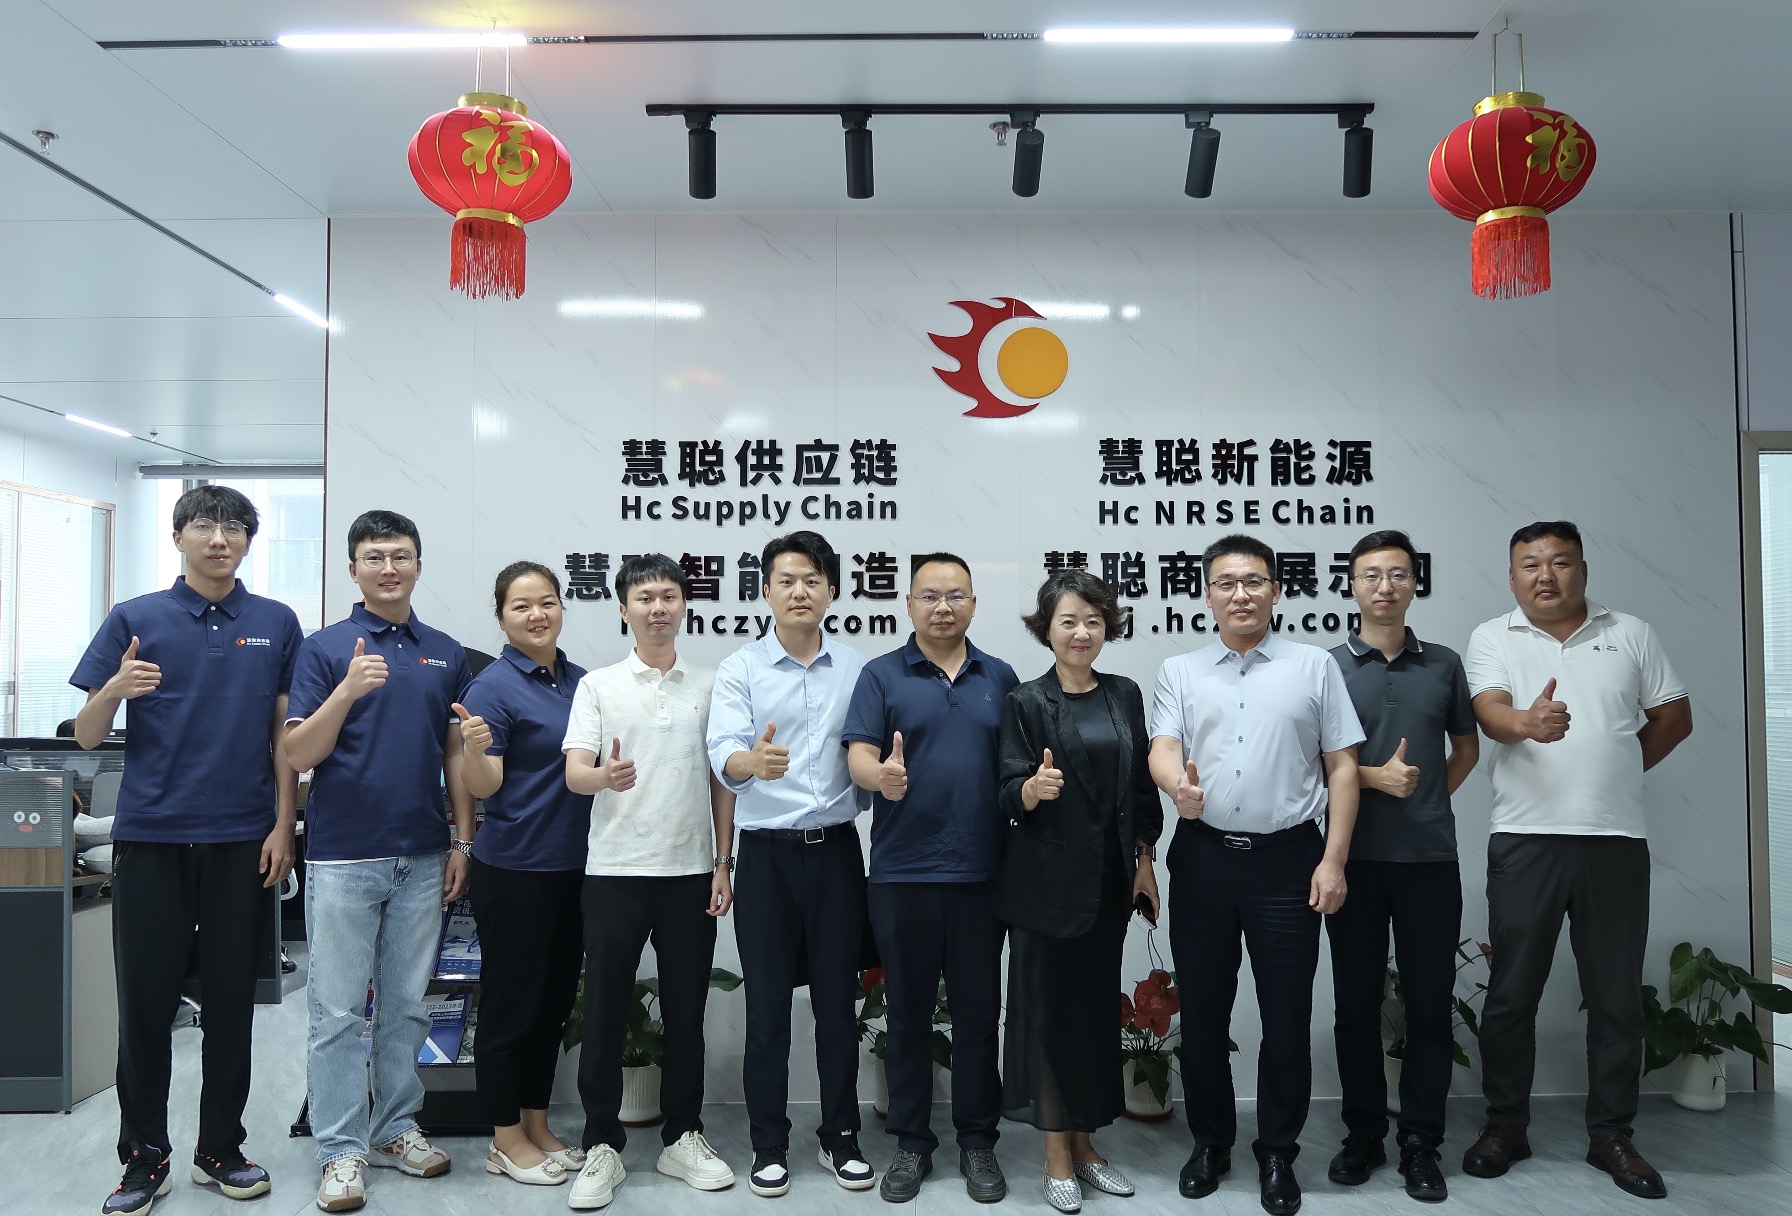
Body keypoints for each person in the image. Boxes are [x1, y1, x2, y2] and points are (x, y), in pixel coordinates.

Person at [70, 485, 302, 1216]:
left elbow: (285, 738)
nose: (219, 538)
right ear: (178, 537)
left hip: (242, 840)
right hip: (151, 838)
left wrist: (283, 825)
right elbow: (85, 736)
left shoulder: (275, 622)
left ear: (248, 541)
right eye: (204, 525)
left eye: (235, 527)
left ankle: (220, 1149)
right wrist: (115, 688)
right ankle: (144, 1160)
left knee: (233, 1006)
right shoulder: (135, 618)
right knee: (144, 1007)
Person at [1461, 521, 1692, 1200]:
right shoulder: (1492, 636)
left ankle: (1612, 1135)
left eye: (1560, 562)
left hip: (1614, 842)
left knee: (1616, 998)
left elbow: (1674, 716)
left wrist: (1618, 767)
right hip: (1524, 840)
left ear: (1582, 569)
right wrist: (1527, 724)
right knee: (1511, 995)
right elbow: (1490, 713)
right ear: (1512, 577)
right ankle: (1506, 1125)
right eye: (1530, 564)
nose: (1546, 575)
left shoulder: (1632, 633)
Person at [1148, 533, 1363, 1216]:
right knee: (1204, 1013)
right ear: (1207, 594)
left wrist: (1333, 860)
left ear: (1274, 589)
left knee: (1286, 1016)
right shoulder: (1180, 671)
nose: (1239, 594)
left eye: (1253, 582)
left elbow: (1342, 768)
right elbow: (1163, 747)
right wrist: (1176, 789)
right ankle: (1210, 1143)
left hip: (1289, 862)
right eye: (1226, 583)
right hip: (1204, 857)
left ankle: (1277, 1153)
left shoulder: (1314, 666)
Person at [284, 510, 473, 1213]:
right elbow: (298, 753)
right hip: (343, 857)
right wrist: (346, 691)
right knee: (336, 1012)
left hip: (422, 854)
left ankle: (396, 1127)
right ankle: (340, 1148)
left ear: (419, 565)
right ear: (354, 569)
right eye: (374, 557)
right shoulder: (324, 649)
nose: (388, 568)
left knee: (405, 1006)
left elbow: (456, 753)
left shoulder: (445, 652)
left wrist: (462, 841)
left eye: (400, 556)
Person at [562, 553, 739, 1208]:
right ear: (623, 609)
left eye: (668, 595)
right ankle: (601, 1144)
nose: (657, 607)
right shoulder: (598, 686)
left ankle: (682, 1136)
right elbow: (575, 773)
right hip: (615, 872)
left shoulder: (711, 684)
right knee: (605, 1011)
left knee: (686, 1012)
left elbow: (723, 781)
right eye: (644, 597)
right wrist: (604, 777)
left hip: (690, 871)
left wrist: (723, 862)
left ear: (684, 605)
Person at [843, 553, 1019, 1204]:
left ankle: (977, 1142)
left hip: (982, 875)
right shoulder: (881, 674)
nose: (942, 606)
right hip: (902, 875)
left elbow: (1016, 769)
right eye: (929, 595)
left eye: (955, 595)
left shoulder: (999, 677)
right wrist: (880, 777)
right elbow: (859, 755)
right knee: (909, 1017)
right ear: (909, 604)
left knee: (977, 1018)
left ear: (973, 603)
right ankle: (912, 1143)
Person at [705, 531, 873, 1199]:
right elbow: (723, 751)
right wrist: (750, 761)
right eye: (786, 580)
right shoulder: (741, 669)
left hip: (836, 855)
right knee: (769, 1007)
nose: (799, 591)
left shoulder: (860, 669)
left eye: (812, 579)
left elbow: (869, 755)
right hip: (767, 858)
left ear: (831, 590)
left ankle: (840, 1137)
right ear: (766, 591)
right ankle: (768, 1143)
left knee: (837, 1005)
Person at [996, 569, 1162, 1215]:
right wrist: (1030, 790)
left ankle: (1087, 1145)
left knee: (1093, 1017)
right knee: (1046, 1016)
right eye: (1068, 620)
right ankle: (1056, 1155)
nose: (1082, 632)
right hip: (1043, 889)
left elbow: (1141, 788)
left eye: (1093, 620)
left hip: (1108, 886)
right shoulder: (1026, 700)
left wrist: (1144, 860)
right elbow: (1005, 788)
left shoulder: (1123, 694)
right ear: (1048, 629)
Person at [1324, 530, 1479, 1203]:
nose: (1384, 586)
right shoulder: (1327, 667)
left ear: (1415, 583)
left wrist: (1428, 797)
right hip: (1350, 862)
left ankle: (1421, 1143)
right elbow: (1310, 763)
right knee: (1355, 1007)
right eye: (1370, 575)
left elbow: (1466, 749)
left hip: (1429, 862)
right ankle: (1363, 1135)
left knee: (1429, 1008)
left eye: (1397, 574)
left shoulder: (1444, 664)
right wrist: (1373, 779)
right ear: (1352, 586)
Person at [452, 562, 593, 1188]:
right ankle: (504, 1136)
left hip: (576, 867)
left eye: (548, 602)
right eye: (521, 606)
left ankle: (537, 1123)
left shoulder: (581, 682)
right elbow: (485, 785)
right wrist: (475, 749)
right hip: (515, 868)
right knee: (511, 1006)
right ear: (502, 616)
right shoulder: (492, 688)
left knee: (553, 1003)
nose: (537, 615)